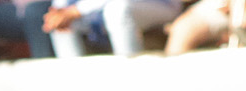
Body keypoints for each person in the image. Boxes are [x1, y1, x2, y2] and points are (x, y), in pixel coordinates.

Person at [39, 0, 179, 56]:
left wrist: (75, 11)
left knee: (117, 10)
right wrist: (59, 12)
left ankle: (130, 74)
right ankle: (73, 81)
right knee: (58, 21)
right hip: (95, 9)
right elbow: (62, 6)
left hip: (159, 4)